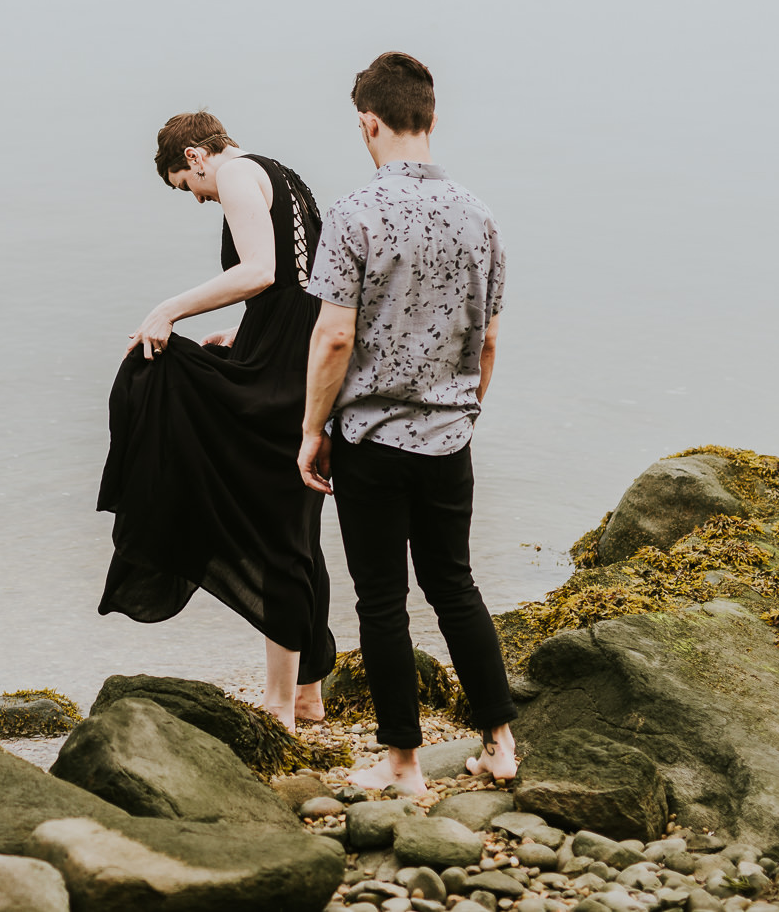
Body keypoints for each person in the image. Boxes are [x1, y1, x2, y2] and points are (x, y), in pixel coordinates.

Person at [296, 52, 517, 791]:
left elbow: (333, 338)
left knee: (382, 599)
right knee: (455, 584)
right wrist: (466, 410)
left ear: (369, 121)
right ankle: (500, 742)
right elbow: (487, 339)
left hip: (373, 440)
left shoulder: (355, 213)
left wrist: (311, 431)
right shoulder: (477, 213)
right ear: (430, 116)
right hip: (450, 437)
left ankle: (403, 764)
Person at [97, 111, 337, 728]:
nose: (198, 197)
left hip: (284, 367)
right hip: (299, 353)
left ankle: (280, 710)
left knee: (275, 534)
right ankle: (308, 694)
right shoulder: (285, 175)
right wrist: (247, 332)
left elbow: (260, 271)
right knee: (297, 530)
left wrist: (167, 309)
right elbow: (302, 282)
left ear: (198, 156)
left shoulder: (233, 175)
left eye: (186, 184)